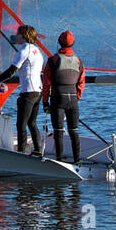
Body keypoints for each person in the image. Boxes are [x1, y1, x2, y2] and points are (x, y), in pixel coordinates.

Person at [0, 24, 45, 157]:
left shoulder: (24, 50)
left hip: (28, 92)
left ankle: (20, 154)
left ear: (24, 35)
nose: (16, 36)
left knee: (21, 124)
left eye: (18, 34)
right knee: (31, 122)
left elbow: (10, 72)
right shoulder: (37, 51)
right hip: (38, 91)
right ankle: (38, 151)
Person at [41, 30, 85, 164]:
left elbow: (46, 83)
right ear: (73, 44)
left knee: (58, 131)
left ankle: (59, 161)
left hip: (58, 98)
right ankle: (77, 161)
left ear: (59, 42)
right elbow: (81, 82)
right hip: (73, 99)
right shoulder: (78, 61)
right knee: (74, 131)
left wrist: (45, 102)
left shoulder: (53, 60)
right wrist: (76, 97)